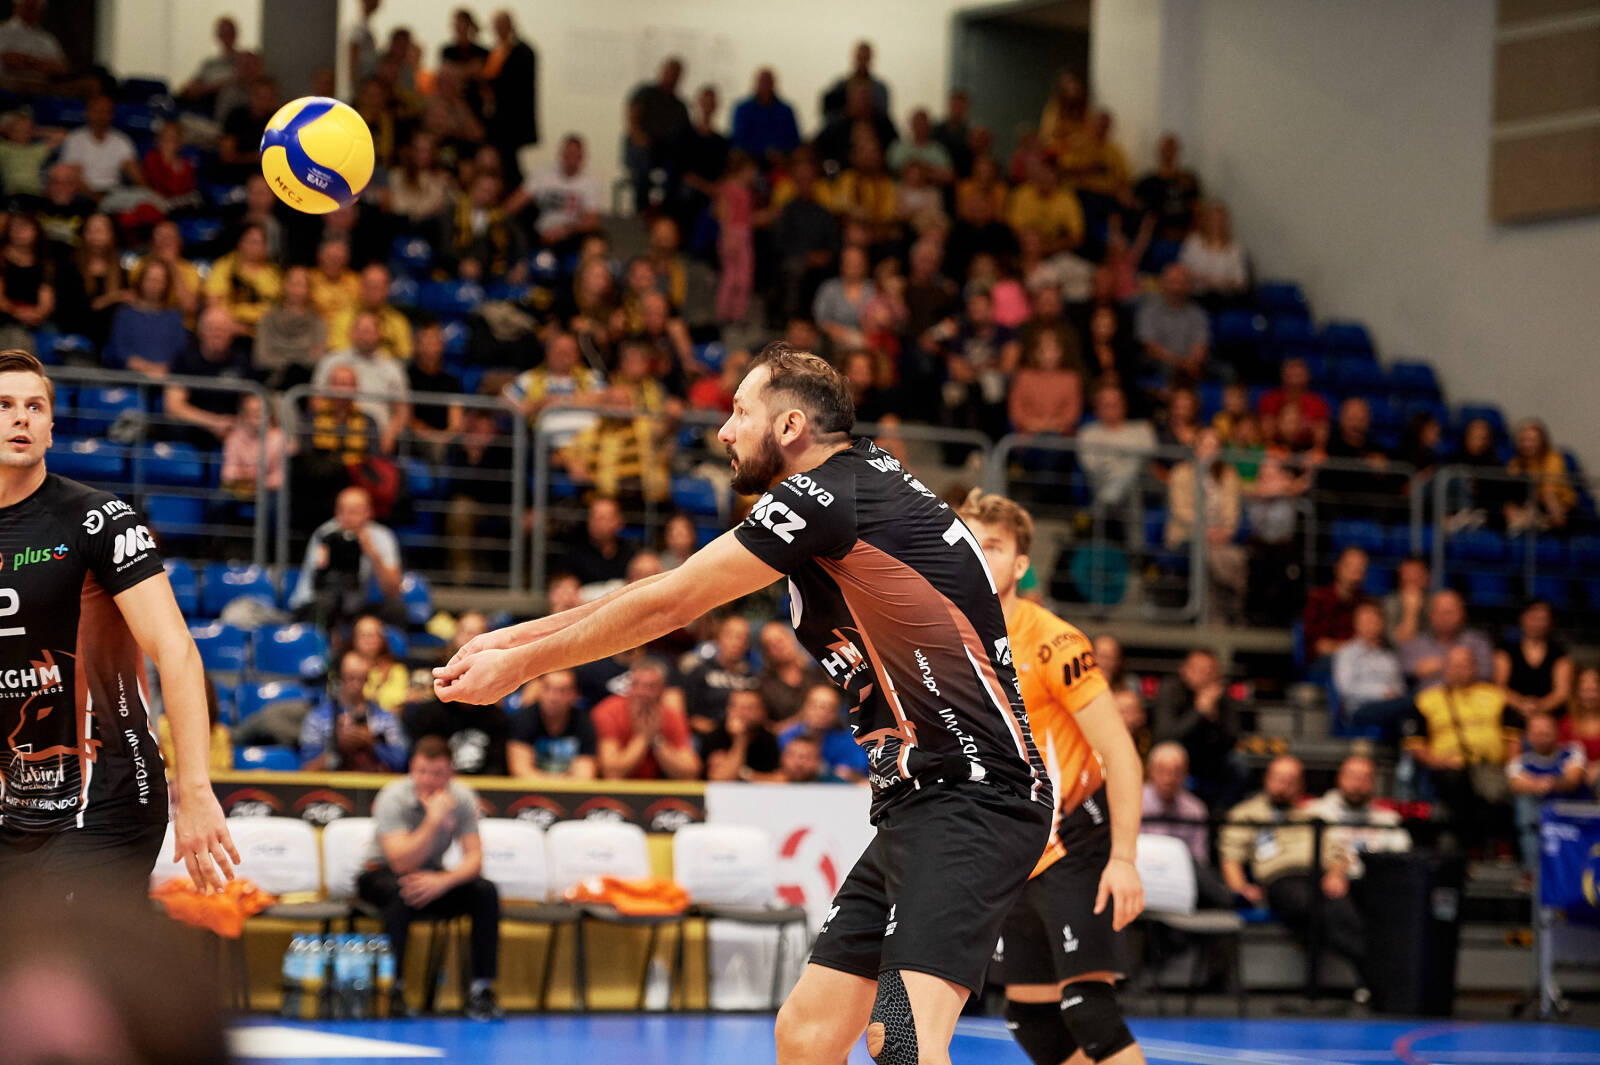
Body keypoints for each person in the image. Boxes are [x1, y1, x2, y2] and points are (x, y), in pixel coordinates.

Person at [434, 343, 1055, 1065]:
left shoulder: (826, 493)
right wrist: (516, 638)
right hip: (920, 800)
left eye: (739, 412)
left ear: (790, 426)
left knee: (904, 1040)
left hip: (975, 794)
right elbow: (669, 586)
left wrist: (521, 666)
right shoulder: (851, 488)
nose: (725, 431)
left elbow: (671, 605)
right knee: (807, 1036)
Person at [0, 350, 237, 901]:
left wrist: (195, 789)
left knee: (63, 946)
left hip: (109, 794)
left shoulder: (98, 519)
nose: (21, 417)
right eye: (4, 405)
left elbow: (176, 650)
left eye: (35, 406)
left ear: (51, 430)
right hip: (12, 805)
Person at [958, 489, 1146, 1065]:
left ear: (1021, 565)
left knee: (1089, 1009)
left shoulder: (1054, 643)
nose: (978, 553)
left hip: (1074, 838)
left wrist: (1123, 858)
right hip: (1015, 847)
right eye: (968, 542)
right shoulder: (945, 637)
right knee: (1031, 1018)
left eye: (993, 546)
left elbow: (1120, 752)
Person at [359, 736, 502, 1020]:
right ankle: (394, 990)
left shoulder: (462, 798)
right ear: (412, 768)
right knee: (403, 890)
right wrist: (433, 820)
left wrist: (444, 881)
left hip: (432, 875)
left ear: (450, 773)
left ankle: (481, 990)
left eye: (437, 773)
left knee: (485, 892)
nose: (428, 780)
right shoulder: (393, 797)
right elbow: (401, 862)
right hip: (381, 873)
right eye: (421, 771)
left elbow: (475, 859)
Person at [1220, 756, 1371, 991]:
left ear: (1301, 786)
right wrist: (1241, 888)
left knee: (1345, 911)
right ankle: (1372, 966)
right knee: (1312, 907)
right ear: (1266, 779)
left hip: (1319, 877)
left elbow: (1338, 854)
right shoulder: (1246, 815)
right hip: (1280, 881)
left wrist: (1336, 875)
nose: (1283, 786)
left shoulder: (1311, 815)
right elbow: (1231, 857)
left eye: (1291, 781)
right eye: (1278, 779)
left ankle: (1368, 971)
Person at [1402, 646, 1520, 856]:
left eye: (1464, 665)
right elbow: (1415, 744)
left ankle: (1483, 849)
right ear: (1445, 668)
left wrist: (1513, 769)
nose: (1459, 670)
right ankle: (1470, 849)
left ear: (1474, 667)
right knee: (1456, 783)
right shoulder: (1426, 700)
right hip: (1447, 769)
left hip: (1491, 768)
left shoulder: (1496, 697)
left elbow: (1513, 739)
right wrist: (1439, 762)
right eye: (1454, 665)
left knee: (1496, 792)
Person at [290, 485, 405, 630]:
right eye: (341, 510)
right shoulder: (325, 536)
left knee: (395, 610)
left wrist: (372, 553)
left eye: (354, 511)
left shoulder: (382, 537)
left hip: (357, 607)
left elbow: (394, 590)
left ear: (368, 512)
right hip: (318, 602)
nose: (347, 517)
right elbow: (318, 584)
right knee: (326, 605)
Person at [1165, 428, 1246, 623]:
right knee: (1209, 557)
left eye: (1214, 446)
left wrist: (1225, 531)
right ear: (1196, 449)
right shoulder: (1181, 473)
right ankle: (1222, 613)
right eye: (1205, 445)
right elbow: (1180, 511)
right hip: (1188, 535)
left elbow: (1232, 512)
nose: (1210, 451)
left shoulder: (1228, 475)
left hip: (1219, 539)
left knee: (1237, 557)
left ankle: (1224, 613)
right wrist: (1205, 530)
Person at [1152, 649, 1245, 811]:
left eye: (1210, 671)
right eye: (1199, 670)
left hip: (1211, 758)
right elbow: (1166, 736)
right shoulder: (1171, 689)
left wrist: (1214, 719)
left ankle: (1224, 815)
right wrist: (1199, 711)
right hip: (1180, 754)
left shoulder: (1221, 696)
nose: (1204, 676)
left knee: (1238, 763)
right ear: (1184, 670)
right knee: (1170, 758)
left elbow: (1233, 737)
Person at [1142, 742, 1232, 908]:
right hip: (1143, 869)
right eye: (1162, 771)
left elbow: (1199, 857)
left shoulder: (1195, 809)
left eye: (1176, 772)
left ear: (1185, 774)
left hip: (1183, 873)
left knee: (1220, 897)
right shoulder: (1133, 803)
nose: (1169, 778)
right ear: (1151, 771)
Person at [311, 309, 412, 452]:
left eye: (369, 331)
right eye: (361, 330)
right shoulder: (331, 361)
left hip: (378, 439)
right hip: (334, 434)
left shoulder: (393, 368)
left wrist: (388, 439)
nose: (364, 336)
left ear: (379, 334)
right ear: (351, 332)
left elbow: (401, 411)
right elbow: (316, 400)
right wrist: (328, 429)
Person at [590, 656, 700, 781]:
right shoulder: (608, 712)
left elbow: (690, 773)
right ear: (629, 686)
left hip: (657, 788)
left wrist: (657, 740)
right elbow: (612, 772)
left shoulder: (672, 717)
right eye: (637, 685)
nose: (642, 693)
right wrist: (643, 738)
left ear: (662, 690)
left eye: (651, 687)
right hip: (615, 790)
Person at [1311, 754, 1412, 887]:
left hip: (1376, 885)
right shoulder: (1315, 813)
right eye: (1352, 777)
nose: (1358, 784)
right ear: (1339, 778)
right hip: (1325, 885)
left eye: (1365, 778)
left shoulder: (1387, 819)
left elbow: (1402, 857)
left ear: (1374, 782)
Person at [299, 650, 408, 772]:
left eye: (362, 678)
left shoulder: (385, 718)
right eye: (351, 678)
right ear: (339, 677)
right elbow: (307, 770)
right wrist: (337, 749)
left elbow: (401, 763)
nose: (357, 684)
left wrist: (373, 745)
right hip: (332, 782)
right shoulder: (318, 718)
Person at [163, 305, 254, 447]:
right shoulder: (184, 359)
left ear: (232, 332)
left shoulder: (242, 361)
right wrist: (213, 423)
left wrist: (235, 423)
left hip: (230, 433)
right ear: (201, 331)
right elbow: (174, 406)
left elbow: (251, 404)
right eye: (211, 328)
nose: (217, 333)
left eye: (223, 329)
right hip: (191, 432)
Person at [1510, 712, 1590, 872]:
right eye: (1537, 733)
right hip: (1539, 817)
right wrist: (1539, 785)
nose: (1542, 738)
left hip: (1573, 815)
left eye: (1546, 733)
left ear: (1556, 732)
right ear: (1528, 736)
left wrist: (1548, 783)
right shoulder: (1520, 761)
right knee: (1524, 804)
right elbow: (1517, 784)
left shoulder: (1573, 750)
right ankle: (1533, 871)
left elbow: (1572, 779)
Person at [504, 133, 601, 254]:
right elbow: (515, 203)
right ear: (561, 154)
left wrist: (564, 230)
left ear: (582, 157)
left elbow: (592, 221)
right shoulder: (542, 175)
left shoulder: (590, 183)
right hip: (539, 233)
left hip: (572, 236)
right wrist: (495, 218)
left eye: (575, 154)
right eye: (568, 153)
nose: (571, 158)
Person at [1077, 382, 1158, 521]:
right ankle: (1112, 497)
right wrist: (1124, 459)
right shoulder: (1088, 433)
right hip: (1102, 482)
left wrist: (1115, 461)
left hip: (1141, 486)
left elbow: (1147, 460)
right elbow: (1091, 465)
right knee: (1129, 469)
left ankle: (1110, 499)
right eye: (1106, 405)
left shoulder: (1142, 429)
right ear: (1097, 408)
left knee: (1133, 467)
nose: (1111, 409)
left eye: (1115, 404)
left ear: (1125, 405)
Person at [1332, 600, 1411, 736]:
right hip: (1359, 709)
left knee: (1410, 707)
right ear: (1356, 624)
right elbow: (1346, 688)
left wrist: (1395, 693)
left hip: (1391, 706)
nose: (1371, 625)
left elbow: (1400, 685)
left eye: (1375, 621)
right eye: (1366, 621)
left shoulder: (1388, 656)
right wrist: (1382, 693)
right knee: (1410, 706)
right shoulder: (1346, 653)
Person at [103, 258, 187, 377]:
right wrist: (145, 368)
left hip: (166, 379)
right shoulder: (124, 314)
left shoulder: (174, 317)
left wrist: (163, 370)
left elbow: (180, 351)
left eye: (159, 280)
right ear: (141, 280)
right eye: (150, 279)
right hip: (128, 378)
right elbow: (118, 349)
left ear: (167, 284)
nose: (154, 284)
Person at [483, 9, 539, 186]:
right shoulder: (498, 51)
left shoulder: (522, 51)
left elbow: (514, 85)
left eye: (500, 26)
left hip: (512, 122)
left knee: (509, 164)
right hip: (499, 121)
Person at [507, 670, 597, 779]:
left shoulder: (584, 722)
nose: (553, 697)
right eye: (547, 688)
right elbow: (520, 771)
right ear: (538, 690)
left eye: (562, 691)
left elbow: (585, 775)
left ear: (574, 695)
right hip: (532, 789)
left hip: (568, 789)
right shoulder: (524, 718)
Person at [1400, 589, 1495, 690]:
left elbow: (1485, 673)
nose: (1444, 617)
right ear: (1430, 614)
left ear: (1462, 613)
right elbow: (1406, 671)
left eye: (1449, 612)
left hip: (1470, 696)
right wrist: (1461, 666)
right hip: (1425, 697)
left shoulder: (1478, 642)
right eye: (1439, 612)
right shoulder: (1416, 644)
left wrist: (1442, 664)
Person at [1496, 599, 1573, 722]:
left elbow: (1562, 693)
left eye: (1542, 619)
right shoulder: (1505, 652)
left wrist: (1539, 708)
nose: (1537, 623)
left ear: (1550, 622)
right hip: (1511, 718)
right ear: (1522, 618)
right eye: (1533, 617)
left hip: (1549, 721)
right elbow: (1499, 687)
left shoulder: (1560, 656)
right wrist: (1521, 704)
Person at [779, 683, 870, 782]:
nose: (821, 713)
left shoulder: (850, 741)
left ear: (837, 714)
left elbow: (860, 776)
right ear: (804, 707)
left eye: (829, 708)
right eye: (815, 706)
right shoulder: (786, 737)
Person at [682, 613, 757, 734]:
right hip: (709, 736)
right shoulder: (700, 672)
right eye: (731, 635)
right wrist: (717, 730)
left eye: (743, 638)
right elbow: (688, 715)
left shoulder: (752, 677)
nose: (737, 642)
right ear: (718, 639)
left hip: (746, 735)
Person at [1135, 263, 1208, 385]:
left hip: (1190, 366)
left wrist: (1191, 363)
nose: (1176, 288)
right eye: (1173, 282)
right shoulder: (1149, 311)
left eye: (1181, 282)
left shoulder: (1197, 314)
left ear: (1188, 286)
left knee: (1224, 372)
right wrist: (1181, 363)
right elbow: (1150, 347)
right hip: (1160, 364)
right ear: (1163, 283)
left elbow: (1200, 346)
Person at [58, 95, 140, 198]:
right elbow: (73, 177)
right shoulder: (75, 139)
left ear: (112, 115)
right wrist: (96, 197)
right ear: (87, 113)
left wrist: (147, 193)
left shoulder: (122, 140)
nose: (101, 116)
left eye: (106, 111)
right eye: (97, 111)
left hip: (114, 194)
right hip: (82, 194)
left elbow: (136, 175)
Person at [328, 263, 414, 361]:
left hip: (388, 368)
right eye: (369, 285)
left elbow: (405, 357)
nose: (374, 290)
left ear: (387, 289)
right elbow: (337, 354)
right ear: (361, 287)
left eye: (379, 286)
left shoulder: (399, 322)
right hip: (351, 367)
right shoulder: (343, 318)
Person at [1503, 418, 1574, 532]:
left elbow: (1549, 492)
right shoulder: (1516, 462)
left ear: (1542, 441)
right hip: (1533, 506)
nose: (1527, 444)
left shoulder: (1553, 459)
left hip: (1560, 506)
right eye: (1523, 440)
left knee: (1548, 497)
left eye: (1532, 440)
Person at [1302, 545, 1369, 663]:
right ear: (1337, 567)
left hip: (1359, 661)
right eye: (1350, 566)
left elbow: (1371, 643)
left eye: (1360, 568)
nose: (1354, 572)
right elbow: (1319, 646)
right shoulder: (1319, 598)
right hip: (1327, 661)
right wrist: (1351, 650)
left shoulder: (1366, 603)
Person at [1134, 133, 1202, 242]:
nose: (1169, 152)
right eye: (1165, 149)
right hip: (1156, 239)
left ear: (1178, 151)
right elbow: (1137, 210)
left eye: (1172, 148)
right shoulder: (1147, 182)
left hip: (1184, 238)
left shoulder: (1188, 180)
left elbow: (1197, 211)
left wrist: (1188, 235)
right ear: (1159, 151)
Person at [704, 688, 783, 782]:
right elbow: (720, 780)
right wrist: (740, 740)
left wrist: (743, 773)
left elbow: (780, 779)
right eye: (736, 707)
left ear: (763, 712)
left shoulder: (768, 739)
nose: (742, 714)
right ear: (728, 709)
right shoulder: (716, 736)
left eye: (750, 708)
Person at [731, 67, 800, 166]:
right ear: (755, 84)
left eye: (768, 82)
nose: (765, 85)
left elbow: (794, 140)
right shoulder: (743, 109)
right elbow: (738, 140)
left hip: (781, 162)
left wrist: (779, 154)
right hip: (749, 162)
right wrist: (763, 151)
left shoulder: (786, 110)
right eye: (763, 82)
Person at [820, 40, 891, 125]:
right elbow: (828, 112)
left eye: (865, 58)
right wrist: (846, 112)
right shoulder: (840, 86)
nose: (862, 62)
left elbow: (883, 115)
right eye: (860, 57)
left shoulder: (879, 89)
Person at [1383, 555, 1431, 646]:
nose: (1411, 578)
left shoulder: (1435, 605)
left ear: (1426, 578)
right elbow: (1401, 643)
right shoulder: (1390, 603)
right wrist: (1411, 610)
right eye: (1407, 574)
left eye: (1416, 573)